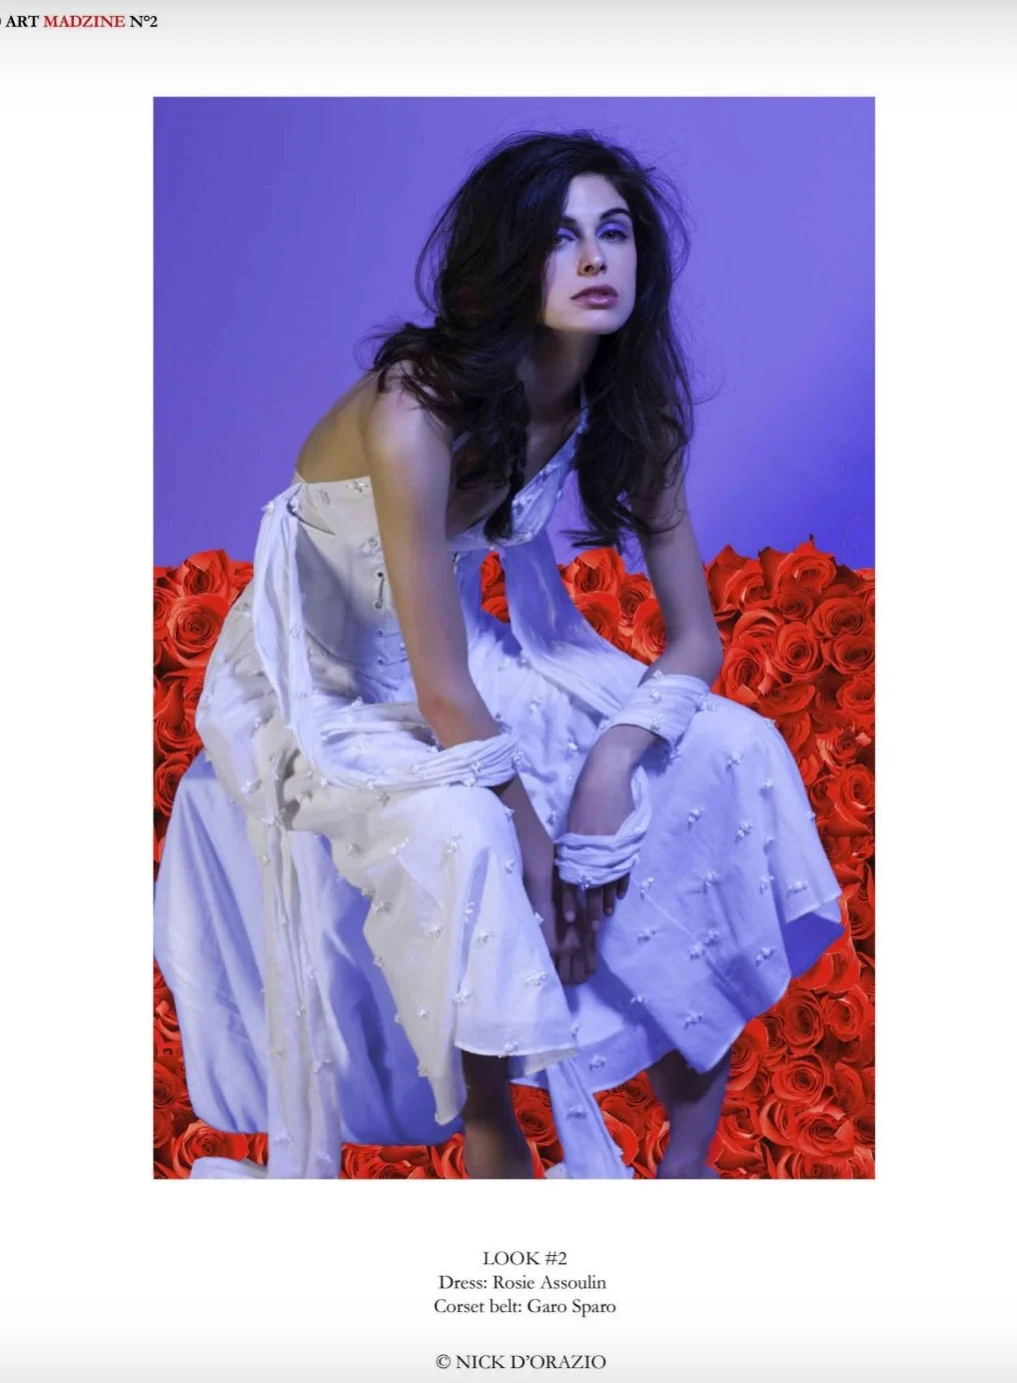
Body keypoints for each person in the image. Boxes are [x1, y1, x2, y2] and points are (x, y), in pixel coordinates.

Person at [154, 130, 844, 1181]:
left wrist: (611, 765)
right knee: (473, 827)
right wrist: (536, 838)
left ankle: (689, 1160)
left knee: (729, 747)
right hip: (317, 679)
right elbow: (436, 691)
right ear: (506, 260)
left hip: (456, 651)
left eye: (615, 231)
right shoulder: (415, 406)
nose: (596, 258)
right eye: (560, 237)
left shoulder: (632, 403)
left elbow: (695, 637)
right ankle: (494, 1128)